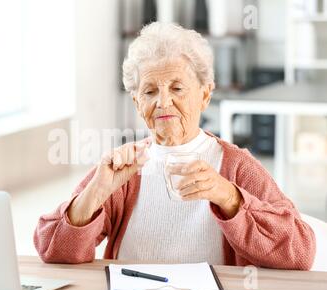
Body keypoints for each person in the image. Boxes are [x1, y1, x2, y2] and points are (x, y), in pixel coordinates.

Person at [34, 22, 315, 270]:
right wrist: (95, 192)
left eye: (177, 88)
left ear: (205, 95)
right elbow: (52, 249)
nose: (163, 102)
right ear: (137, 102)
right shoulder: (123, 167)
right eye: (150, 91)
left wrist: (229, 197)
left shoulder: (237, 166)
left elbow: (300, 252)